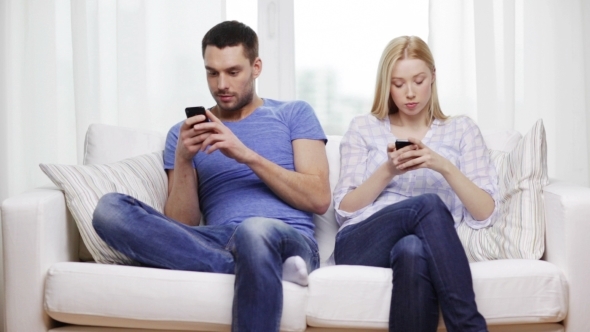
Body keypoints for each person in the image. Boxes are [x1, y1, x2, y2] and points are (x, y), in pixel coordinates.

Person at [92, 20, 331, 332]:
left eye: (233, 72)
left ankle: (262, 261)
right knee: (109, 210)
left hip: (287, 239)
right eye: (212, 72)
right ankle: (255, 268)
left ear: (256, 67)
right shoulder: (183, 135)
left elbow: (319, 197)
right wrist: (183, 158)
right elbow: (181, 224)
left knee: (253, 230)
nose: (221, 84)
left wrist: (245, 154)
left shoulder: (293, 113)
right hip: (219, 240)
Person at [332, 35, 498, 332]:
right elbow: (344, 209)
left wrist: (443, 165)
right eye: (398, 84)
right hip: (362, 242)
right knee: (428, 204)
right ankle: (469, 325)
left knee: (412, 250)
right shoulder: (363, 127)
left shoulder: (461, 130)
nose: (409, 93)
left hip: (422, 245)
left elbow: (485, 213)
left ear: (433, 78)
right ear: (386, 85)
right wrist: (388, 170)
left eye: (418, 80)